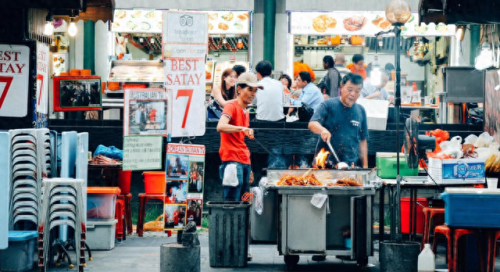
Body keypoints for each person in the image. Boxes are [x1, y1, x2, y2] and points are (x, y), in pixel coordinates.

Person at [308, 73, 369, 168]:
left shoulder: (361, 110)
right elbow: (312, 124)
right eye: (350, 89)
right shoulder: (328, 105)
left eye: (357, 91)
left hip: (350, 166)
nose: (353, 94)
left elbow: (362, 140)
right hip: (325, 164)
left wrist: (365, 167)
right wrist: (322, 130)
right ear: (341, 87)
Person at [217, 72, 260, 201]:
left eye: (255, 90)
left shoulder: (246, 112)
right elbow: (220, 126)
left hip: (244, 161)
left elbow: (241, 141)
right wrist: (242, 128)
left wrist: (249, 166)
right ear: (239, 89)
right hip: (231, 161)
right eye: (250, 89)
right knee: (232, 203)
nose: (253, 94)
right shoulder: (231, 106)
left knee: (244, 203)